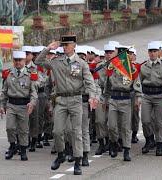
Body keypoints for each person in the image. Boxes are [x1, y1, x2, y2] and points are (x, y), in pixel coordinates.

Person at [34, 35, 98, 175]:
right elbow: (38, 61)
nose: (64, 47)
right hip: (61, 100)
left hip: (76, 99)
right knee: (57, 131)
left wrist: (92, 97)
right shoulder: (56, 61)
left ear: (74, 45)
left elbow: (89, 82)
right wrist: (48, 48)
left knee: (76, 132)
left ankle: (77, 162)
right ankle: (61, 154)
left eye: (67, 44)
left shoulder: (81, 63)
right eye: (63, 44)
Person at [0, 51, 38, 161]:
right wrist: (2, 105)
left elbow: (33, 92)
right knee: (10, 128)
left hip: (23, 105)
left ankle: (23, 150)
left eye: (20, 60)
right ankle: (12, 146)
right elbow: (4, 91)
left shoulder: (30, 74)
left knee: (23, 130)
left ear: (24, 61)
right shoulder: (8, 74)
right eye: (15, 60)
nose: (17, 62)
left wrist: (32, 103)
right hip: (11, 105)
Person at [139, 42, 162, 156]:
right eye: (151, 51)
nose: (153, 54)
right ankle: (149, 140)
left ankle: (159, 143)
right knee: (145, 120)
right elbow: (139, 82)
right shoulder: (143, 66)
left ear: (159, 52)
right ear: (148, 53)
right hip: (147, 96)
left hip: (159, 95)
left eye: (155, 51)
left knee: (159, 121)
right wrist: (139, 96)